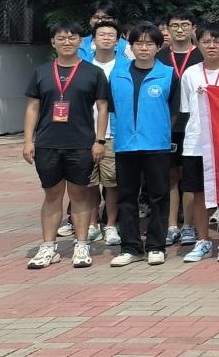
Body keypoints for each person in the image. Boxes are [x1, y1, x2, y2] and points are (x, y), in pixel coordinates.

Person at [23, 22, 110, 269]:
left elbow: (103, 107)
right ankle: (48, 247)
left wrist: (99, 140)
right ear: (53, 42)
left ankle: (81, 244)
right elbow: (32, 107)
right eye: (61, 38)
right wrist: (28, 141)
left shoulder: (93, 72)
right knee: (52, 194)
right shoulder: (41, 72)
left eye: (72, 38)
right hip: (47, 143)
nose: (66, 42)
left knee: (79, 193)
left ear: (81, 42)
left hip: (81, 143)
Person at [108, 23, 181, 266]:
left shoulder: (168, 74)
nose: (143, 48)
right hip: (125, 143)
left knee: (158, 196)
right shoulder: (117, 74)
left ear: (158, 47)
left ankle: (156, 246)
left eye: (149, 43)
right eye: (138, 43)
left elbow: (173, 111)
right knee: (126, 196)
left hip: (156, 144)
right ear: (131, 46)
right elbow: (111, 108)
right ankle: (130, 247)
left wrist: (159, 130)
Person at [178, 22, 219, 263]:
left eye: (217, 41)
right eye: (206, 41)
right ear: (197, 43)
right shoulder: (190, 73)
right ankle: (203, 240)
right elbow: (187, 108)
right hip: (196, 142)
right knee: (198, 193)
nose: (212, 46)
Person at [158, 10, 198, 247]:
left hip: (195, 127)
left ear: (193, 28)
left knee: (190, 177)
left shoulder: (202, 55)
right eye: (174, 25)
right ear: (167, 29)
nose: (180, 29)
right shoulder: (160, 56)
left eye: (185, 25)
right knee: (170, 176)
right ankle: (172, 225)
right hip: (167, 126)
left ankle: (189, 225)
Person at [88, 21, 122, 246]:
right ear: (93, 40)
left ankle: (110, 225)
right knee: (89, 182)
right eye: (102, 34)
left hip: (114, 133)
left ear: (118, 41)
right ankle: (92, 225)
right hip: (86, 133)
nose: (107, 38)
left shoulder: (125, 67)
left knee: (112, 182)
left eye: (111, 35)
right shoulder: (83, 66)